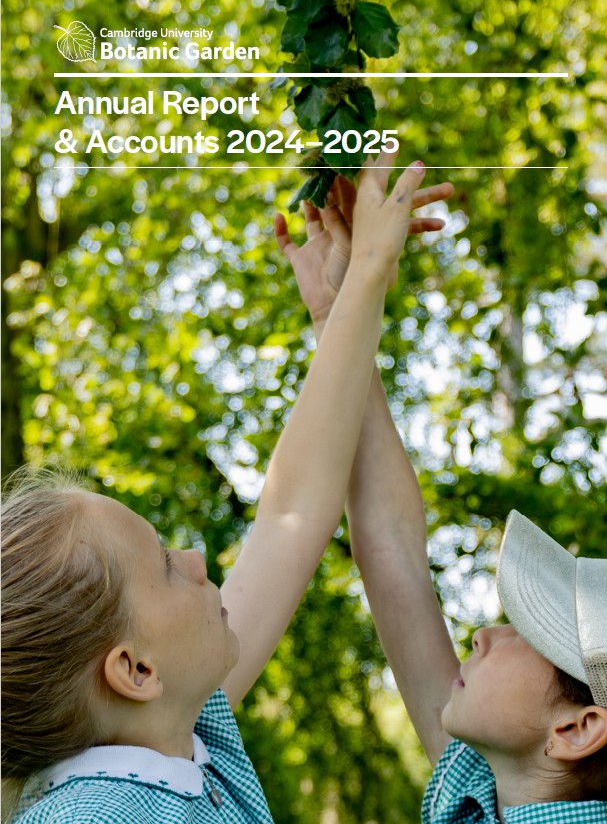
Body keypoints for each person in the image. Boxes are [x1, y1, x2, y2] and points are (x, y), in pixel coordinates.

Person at [1, 151, 453, 824]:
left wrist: (345, 304)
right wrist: (361, 275)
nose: (196, 560)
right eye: (163, 565)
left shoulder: (171, 735)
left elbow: (291, 514)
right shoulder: (91, 815)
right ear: (135, 670)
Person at [277, 175, 607, 820]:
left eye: (528, 631)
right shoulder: (480, 791)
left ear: (576, 729)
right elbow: (392, 548)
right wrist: (340, 314)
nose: (483, 635)